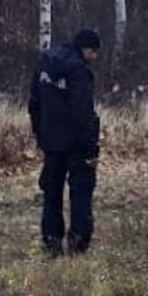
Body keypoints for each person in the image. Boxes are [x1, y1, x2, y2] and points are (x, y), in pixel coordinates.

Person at [29, 28, 101, 256]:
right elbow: (83, 112)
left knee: (51, 193)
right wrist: (91, 149)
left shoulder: (44, 64)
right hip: (77, 145)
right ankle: (79, 242)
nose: (95, 58)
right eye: (94, 52)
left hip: (51, 142)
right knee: (81, 192)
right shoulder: (79, 71)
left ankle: (51, 241)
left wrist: (40, 135)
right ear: (85, 49)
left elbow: (34, 103)